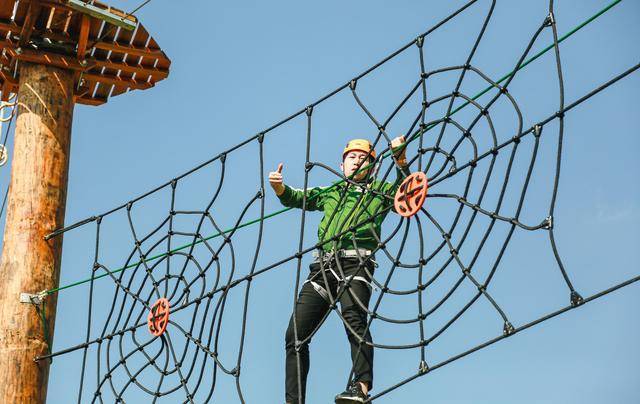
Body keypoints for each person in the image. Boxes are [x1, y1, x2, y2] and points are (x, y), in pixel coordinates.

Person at [269, 137, 408, 404]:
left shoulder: (380, 191)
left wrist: (400, 160)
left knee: (354, 319)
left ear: (372, 166)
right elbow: (298, 198)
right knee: (295, 336)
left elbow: (408, 192)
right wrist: (279, 188)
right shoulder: (332, 191)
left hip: (356, 263)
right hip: (322, 267)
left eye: (363, 158)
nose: (356, 161)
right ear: (341, 164)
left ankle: (361, 387)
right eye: (351, 157)